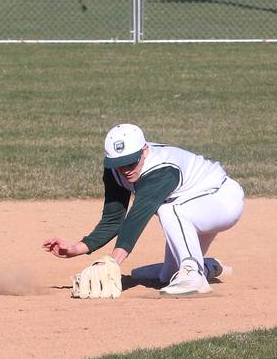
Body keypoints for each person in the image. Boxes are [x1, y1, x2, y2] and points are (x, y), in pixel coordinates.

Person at [43, 123, 244, 297]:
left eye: (131, 162)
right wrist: (76, 248)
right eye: (119, 164)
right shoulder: (115, 170)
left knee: (167, 209)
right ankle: (208, 266)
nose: (125, 169)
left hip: (221, 201)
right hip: (189, 209)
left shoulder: (162, 169)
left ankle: (194, 274)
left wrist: (112, 262)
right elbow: (114, 220)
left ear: (145, 151)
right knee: (167, 276)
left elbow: (136, 218)